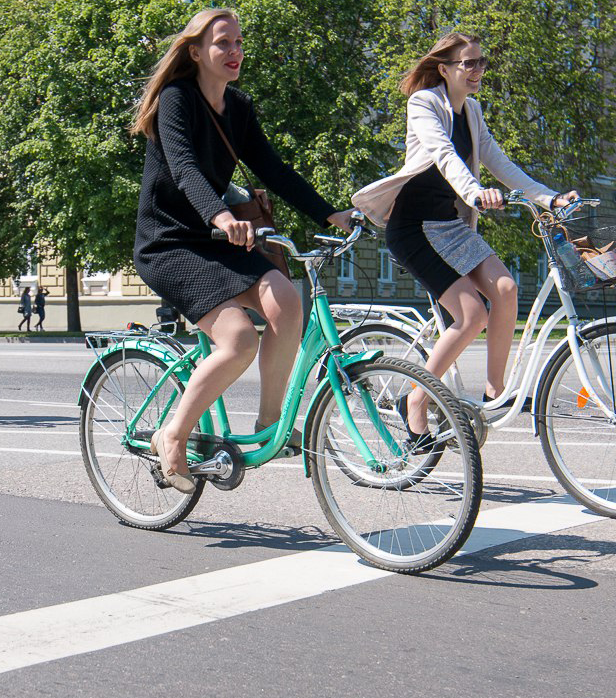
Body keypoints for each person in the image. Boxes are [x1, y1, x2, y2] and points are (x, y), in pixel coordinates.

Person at [130, 8, 354, 493]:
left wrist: (329, 213)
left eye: (238, 43)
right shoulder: (177, 99)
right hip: (170, 241)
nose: (234, 52)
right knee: (238, 340)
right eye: (222, 43)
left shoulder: (240, 108)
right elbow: (186, 168)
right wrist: (222, 215)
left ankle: (269, 424)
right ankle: (172, 436)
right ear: (196, 52)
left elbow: (273, 171)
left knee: (285, 300)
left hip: (216, 237)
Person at [352, 32, 578, 443]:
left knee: (506, 288)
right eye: (468, 64)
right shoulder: (424, 104)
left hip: (449, 226)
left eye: (481, 63)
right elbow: (443, 154)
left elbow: (499, 161)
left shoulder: (472, 111)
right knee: (472, 315)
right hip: (414, 227)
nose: (477, 71)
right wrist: (474, 192)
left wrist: (547, 198)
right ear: (444, 69)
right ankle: (415, 400)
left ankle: (494, 393)